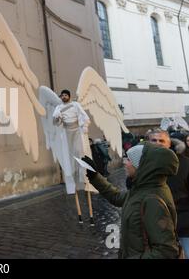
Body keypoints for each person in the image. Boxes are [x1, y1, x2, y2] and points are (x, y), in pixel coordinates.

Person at [83, 143, 181, 259]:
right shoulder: (142, 188)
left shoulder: (152, 199)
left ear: (142, 167)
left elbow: (166, 251)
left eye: (129, 159)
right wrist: (95, 176)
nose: (125, 162)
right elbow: (117, 197)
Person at [147, 128, 189, 258]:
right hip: (154, 225)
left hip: (183, 224)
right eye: (154, 140)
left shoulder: (185, 164)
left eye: (162, 140)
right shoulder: (142, 163)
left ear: (169, 144)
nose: (158, 143)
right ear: (148, 142)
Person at [53, 89, 94, 223]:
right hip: (66, 133)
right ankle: (72, 181)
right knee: (69, 157)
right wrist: (58, 117)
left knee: (80, 154)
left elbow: (83, 117)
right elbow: (56, 122)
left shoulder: (76, 105)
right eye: (62, 95)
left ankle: (84, 177)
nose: (64, 97)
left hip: (76, 131)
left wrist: (84, 127)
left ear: (69, 96)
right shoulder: (58, 107)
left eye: (65, 95)